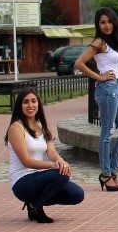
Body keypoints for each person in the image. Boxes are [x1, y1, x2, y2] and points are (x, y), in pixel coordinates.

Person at [5, 89, 85, 223]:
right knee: (60, 175)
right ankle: (36, 206)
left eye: (33, 101)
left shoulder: (41, 125)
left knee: (77, 195)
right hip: (22, 181)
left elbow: (52, 152)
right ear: (20, 105)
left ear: (38, 104)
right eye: (26, 102)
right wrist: (52, 165)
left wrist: (61, 162)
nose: (30, 105)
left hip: (39, 178)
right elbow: (26, 161)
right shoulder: (16, 128)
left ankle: (34, 203)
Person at [74, 8, 118, 192]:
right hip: (106, 89)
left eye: (109, 22)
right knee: (106, 133)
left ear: (114, 22)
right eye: (102, 22)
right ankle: (106, 174)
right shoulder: (99, 43)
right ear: (98, 25)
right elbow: (79, 63)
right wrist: (99, 77)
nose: (107, 25)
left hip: (116, 89)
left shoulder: (116, 42)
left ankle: (112, 171)